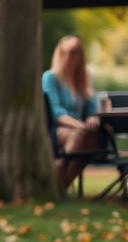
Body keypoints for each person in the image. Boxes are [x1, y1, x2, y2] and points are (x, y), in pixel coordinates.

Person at [43, 35, 101, 190]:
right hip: (56, 129)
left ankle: (60, 187)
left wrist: (92, 118)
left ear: (80, 56)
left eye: (73, 53)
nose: (68, 57)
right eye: (64, 53)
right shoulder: (50, 78)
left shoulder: (84, 78)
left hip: (79, 130)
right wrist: (78, 125)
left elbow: (92, 107)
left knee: (93, 140)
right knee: (79, 134)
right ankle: (59, 175)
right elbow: (56, 112)